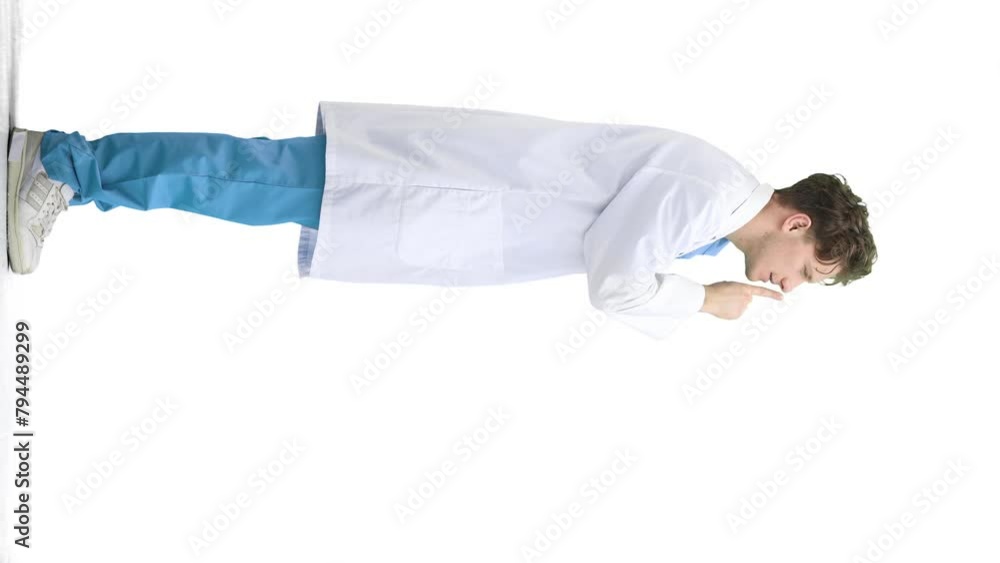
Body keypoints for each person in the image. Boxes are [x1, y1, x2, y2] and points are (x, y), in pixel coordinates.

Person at [6, 100, 877, 338]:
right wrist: (703, 301)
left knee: (244, 184)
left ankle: (73, 171)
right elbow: (616, 280)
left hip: (435, 197)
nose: (789, 287)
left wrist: (694, 283)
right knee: (242, 180)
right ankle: (62, 165)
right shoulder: (709, 192)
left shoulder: (710, 215)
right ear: (798, 226)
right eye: (806, 273)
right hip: (424, 185)